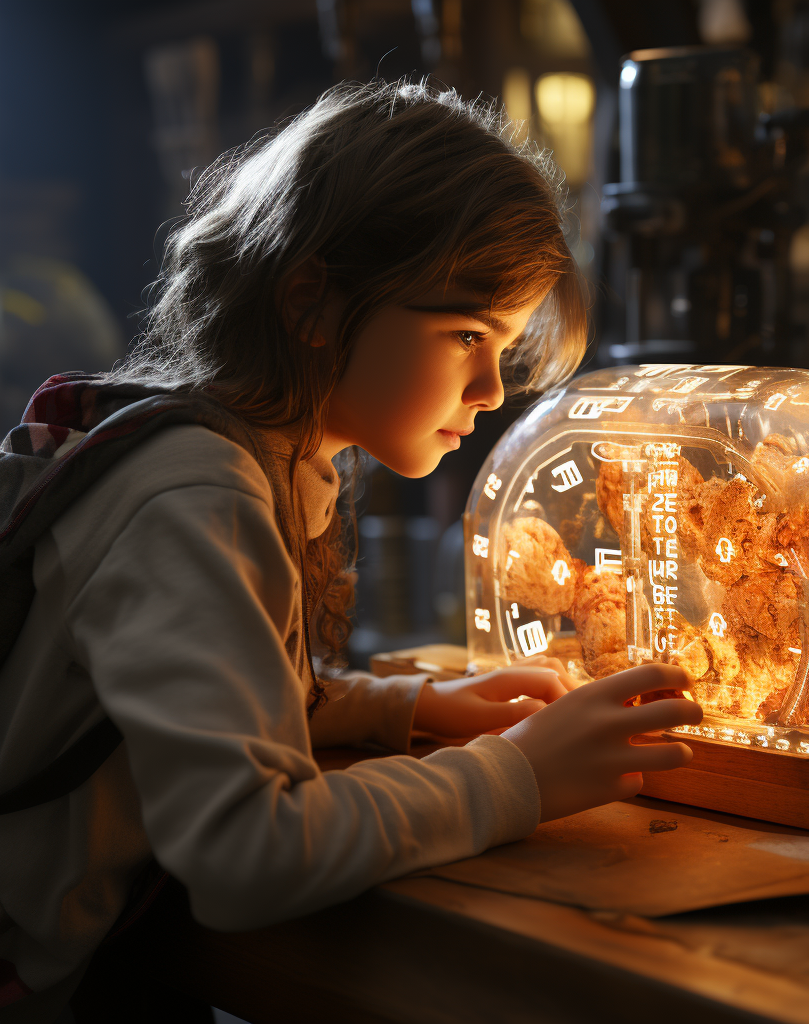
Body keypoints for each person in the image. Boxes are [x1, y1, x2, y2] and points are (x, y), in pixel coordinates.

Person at [0, 80, 699, 1022]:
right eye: (466, 335)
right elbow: (246, 855)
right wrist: (519, 774)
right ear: (309, 304)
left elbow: (195, 705)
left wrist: (405, 706)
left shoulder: (251, 459)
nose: (492, 388)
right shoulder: (197, 493)